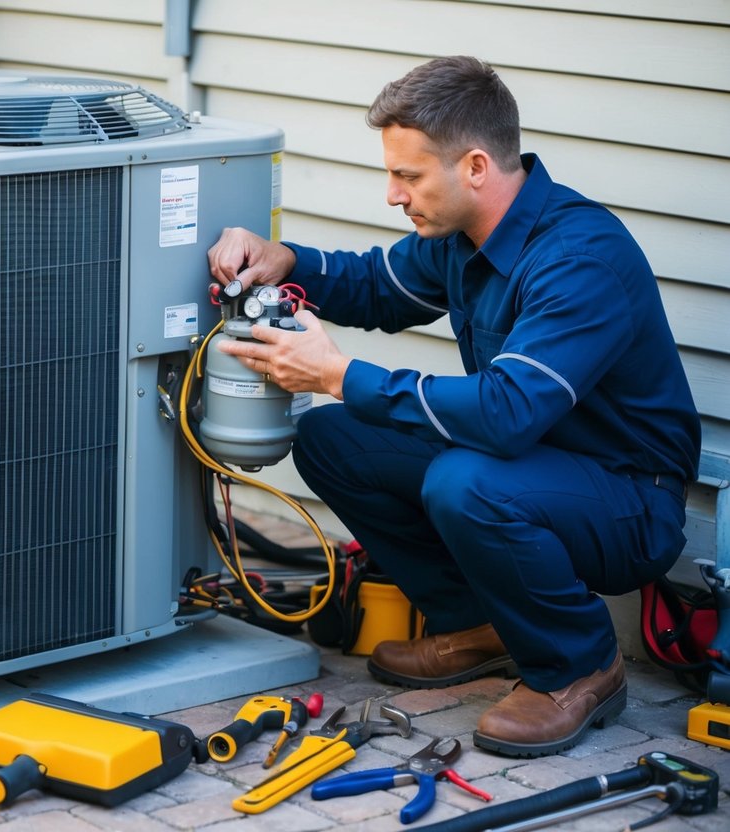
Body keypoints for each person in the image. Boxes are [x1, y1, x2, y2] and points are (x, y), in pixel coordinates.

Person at [207, 55, 701, 758]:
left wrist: (336, 372)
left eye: (407, 176)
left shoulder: (578, 256)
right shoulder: (465, 238)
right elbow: (378, 287)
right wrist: (285, 260)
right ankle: (484, 626)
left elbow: (504, 413)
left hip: (626, 501)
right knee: (332, 439)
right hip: (531, 465)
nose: (391, 195)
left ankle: (578, 664)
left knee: (463, 481)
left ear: (473, 166)